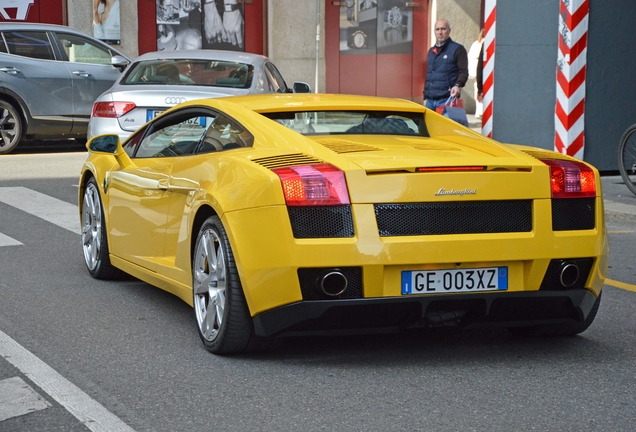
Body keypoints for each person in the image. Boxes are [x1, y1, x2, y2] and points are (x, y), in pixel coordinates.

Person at [423, 19, 468, 112]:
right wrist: (425, 97)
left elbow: (463, 71)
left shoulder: (458, 49)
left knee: (445, 127)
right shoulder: (431, 51)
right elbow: (429, 75)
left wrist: (457, 85)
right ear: (434, 32)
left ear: (449, 31)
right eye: (437, 29)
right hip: (430, 101)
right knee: (430, 127)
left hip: (447, 100)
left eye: (443, 29)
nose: (440, 32)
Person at [468, 29, 484, 118]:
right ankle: (480, 111)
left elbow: (470, 57)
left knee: (477, 91)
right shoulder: (483, 43)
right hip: (480, 69)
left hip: (476, 70)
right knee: (480, 91)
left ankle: (479, 111)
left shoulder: (475, 44)